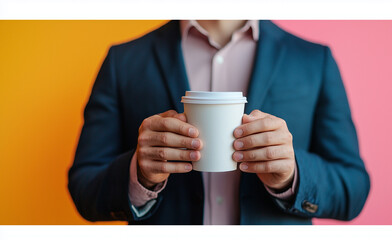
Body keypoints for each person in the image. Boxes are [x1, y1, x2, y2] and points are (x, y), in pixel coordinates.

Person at [68, 20, 370, 225]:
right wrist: (139, 174)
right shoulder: (124, 61)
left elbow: (353, 189)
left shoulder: (313, 60)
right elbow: (84, 186)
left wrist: (292, 176)